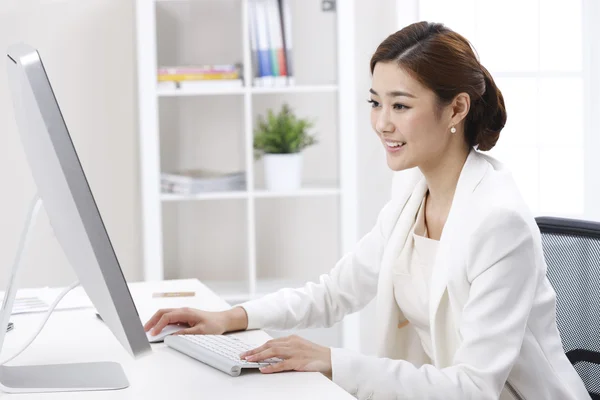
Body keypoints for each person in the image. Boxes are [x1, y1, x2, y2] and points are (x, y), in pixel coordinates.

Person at [144, 21, 591, 400]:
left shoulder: (498, 221)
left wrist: (333, 361)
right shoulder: (414, 191)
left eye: (400, 105)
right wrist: (231, 317)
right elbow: (335, 291)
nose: (382, 123)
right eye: (375, 102)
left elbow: (473, 388)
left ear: (456, 107)